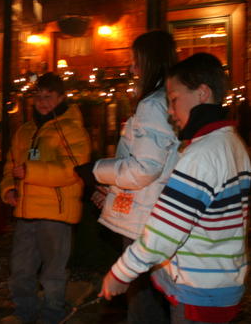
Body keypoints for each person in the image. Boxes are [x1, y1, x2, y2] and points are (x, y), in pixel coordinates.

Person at [100, 53, 251, 324]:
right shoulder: (232, 143)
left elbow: (165, 231)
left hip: (197, 292)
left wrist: (121, 272)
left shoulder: (201, 154)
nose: (170, 112)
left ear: (202, 93)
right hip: (220, 280)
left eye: (174, 100)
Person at [74, 29, 179, 323]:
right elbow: (155, 166)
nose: (131, 68)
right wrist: (110, 191)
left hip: (144, 223)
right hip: (154, 212)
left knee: (143, 302)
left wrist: (95, 170)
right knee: (155, 299)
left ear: (150, 62)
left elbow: (144, 170)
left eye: (136, 61)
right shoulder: (166, 101)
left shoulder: (152, 105)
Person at [0, 72, 91, 324]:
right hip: (25, 212)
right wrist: (8, 188)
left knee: (52, 273)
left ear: (61, 97)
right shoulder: (24, 131)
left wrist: (30, 172)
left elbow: (73, 169)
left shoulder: (72, 130)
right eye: (38, 96)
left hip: (56, 213)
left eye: (48, 96)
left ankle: (52, 316)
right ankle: (24, 314)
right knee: (20, 270)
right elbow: (11, 165)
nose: (42, 102)